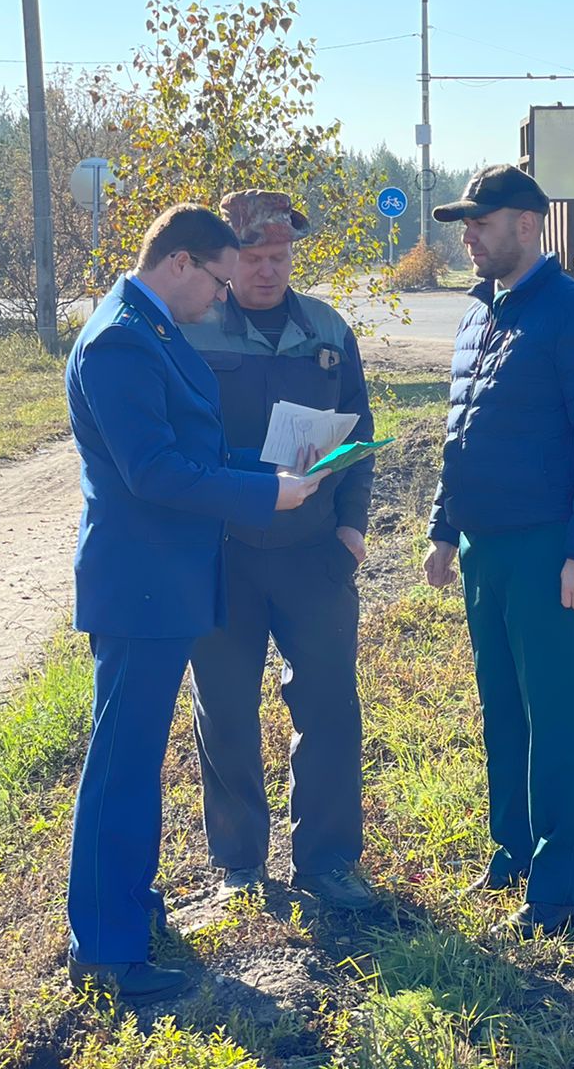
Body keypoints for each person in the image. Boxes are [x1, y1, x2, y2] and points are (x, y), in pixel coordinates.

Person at [64, 203, 322, 1004]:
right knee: (120, 767)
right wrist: (260, 495)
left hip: (163, 583)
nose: (220, 298)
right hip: (140, 587)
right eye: (215, 279)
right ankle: (106, 952)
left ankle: (130, 914)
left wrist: (275, 467)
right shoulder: (119, 342)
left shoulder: (153, 329)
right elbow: (154, 472)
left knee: (136, 763)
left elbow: (196, 449)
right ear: (179, 262)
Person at [422, 164, 574, 938]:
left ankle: (559, 890)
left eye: (481, 221)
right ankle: (511, 853)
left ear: (529, 224)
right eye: (465, 223)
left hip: (549, 553)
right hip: (485, 550)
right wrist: (446, 530)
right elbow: (461, 431)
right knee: (502, 711)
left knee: (554, 718)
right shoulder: (480, 314)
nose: (468, 235)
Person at [180, 190, 376, 911]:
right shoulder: (193, 325)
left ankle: (328, 862)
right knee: (225, 711)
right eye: (254, 257)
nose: (268, 271)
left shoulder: (324, 328)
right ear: (227, 259)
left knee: (328, 709)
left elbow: (359, 430)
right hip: (222, 553)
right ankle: (239, 864)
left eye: (281, 256)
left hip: (313, 552)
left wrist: (352, 526)